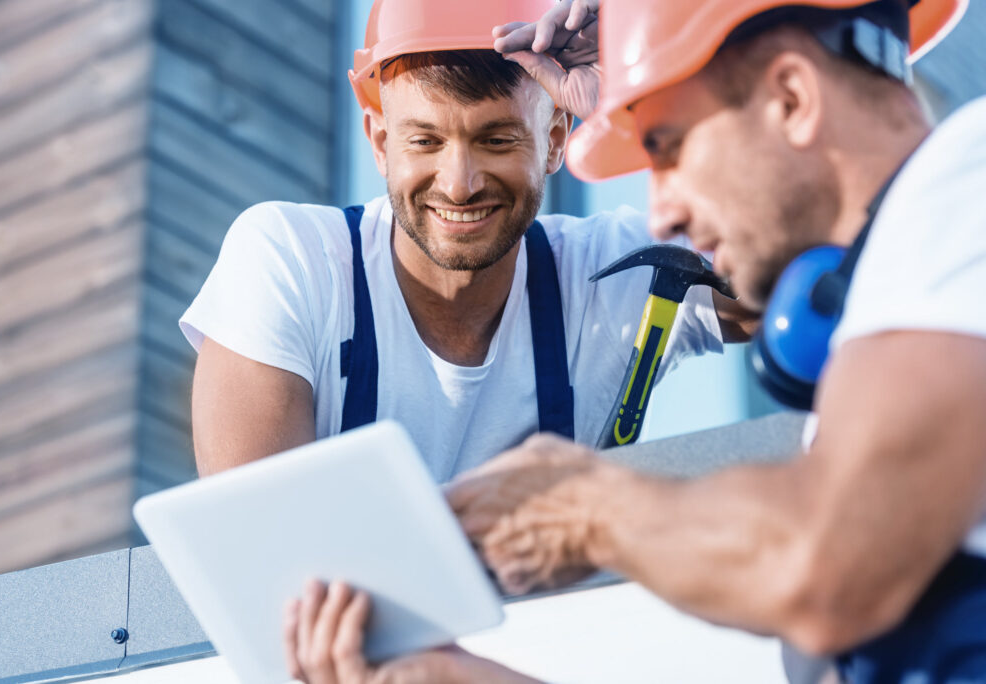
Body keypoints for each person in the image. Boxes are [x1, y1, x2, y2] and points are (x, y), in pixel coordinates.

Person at [284, 0, 986, 682]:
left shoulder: (968, 180)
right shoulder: (875, 406)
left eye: (668, 148)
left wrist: (583, 507)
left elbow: (828, 568)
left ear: (793, 98)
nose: (660, 211)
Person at [181, 0, 748, 480]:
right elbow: (263, 562)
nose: (459, 185)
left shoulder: (611, 273)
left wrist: (656, 94)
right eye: (425, 142)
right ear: (380, 142)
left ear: (554, 141)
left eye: (496, 140)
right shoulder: (294, 262)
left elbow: (802, 272)